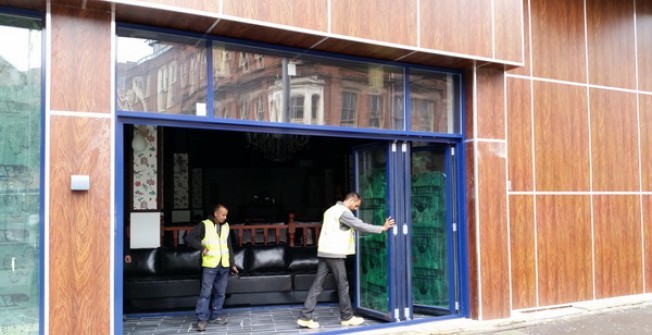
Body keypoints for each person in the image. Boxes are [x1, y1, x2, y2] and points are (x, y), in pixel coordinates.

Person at [297, 192, 394, 329]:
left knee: (317, 284)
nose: (356, 208)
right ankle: (347, 317)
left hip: (325, 251)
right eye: (356, 205)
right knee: (343, 285)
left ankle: (305, 317)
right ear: (351, 200)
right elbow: (360, 226)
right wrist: (382, 228)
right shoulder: (343, 212)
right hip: (335, 253)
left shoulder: (330, 210)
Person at [185, 204, 239, 332]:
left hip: (224, 264)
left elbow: (228, 246)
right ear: (215, 214)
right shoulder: (204, 225)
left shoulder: (226, 226)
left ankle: (216, 316)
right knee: (206, 293)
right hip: (210, 265)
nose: (225, 217)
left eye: (226, 215)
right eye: (223, 214)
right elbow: (189, 238)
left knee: (220, 293)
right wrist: (202, 248)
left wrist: (232, 264)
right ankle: (202, 319)